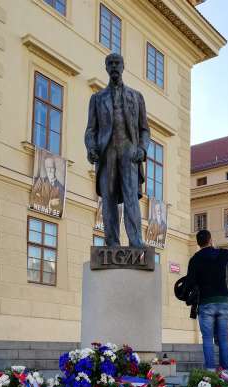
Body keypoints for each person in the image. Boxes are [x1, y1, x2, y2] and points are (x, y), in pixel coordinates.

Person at [85, 53, 150, 248]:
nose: (114, 66)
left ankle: (136, 241)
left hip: (129, 151)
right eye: (110, 63)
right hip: (107, 154)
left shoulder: (136, 97)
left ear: (123, 66)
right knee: (108, 199)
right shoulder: (97, 98)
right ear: (106, 67)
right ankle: (111, 242)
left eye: (117, 63)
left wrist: (142, 149)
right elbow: (91, 130)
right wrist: (91, 147)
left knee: (131, 198)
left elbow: (144, 130)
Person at [185, 228, 228, 371]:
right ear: (210, 240)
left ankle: (210, 371)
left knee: (208, 339)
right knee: (223, 338)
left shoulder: (195, 259)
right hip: (222, 301)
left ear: (198, 243)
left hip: (206, 302)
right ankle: (225, 372)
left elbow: (190, 282)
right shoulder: (220, 254)